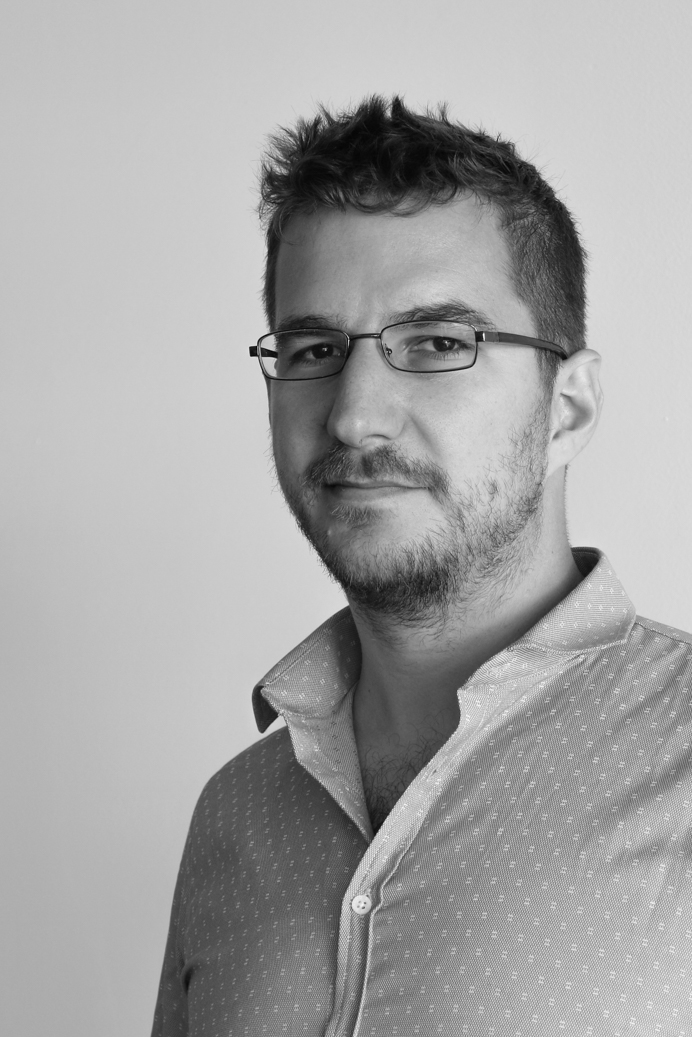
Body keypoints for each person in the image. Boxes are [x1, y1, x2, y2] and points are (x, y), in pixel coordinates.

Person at [152, 97, 692, 1036]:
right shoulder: (236, 815)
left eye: (440, 342)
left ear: (567, 408)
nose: (355, 413)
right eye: (315, 349)